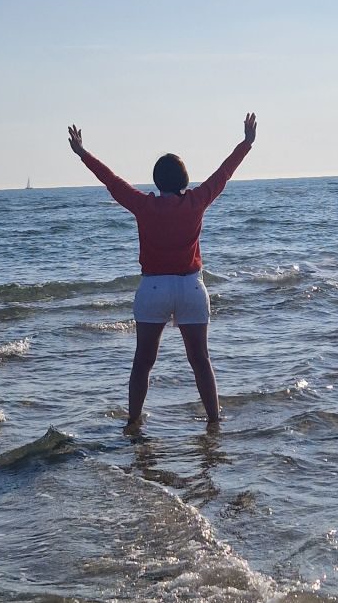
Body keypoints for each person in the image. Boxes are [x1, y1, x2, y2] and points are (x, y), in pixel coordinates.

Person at [68, 113, 256, 430]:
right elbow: (223, 173)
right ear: (184, 180)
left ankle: (133, 422)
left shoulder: (144, 205)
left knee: (143, 362)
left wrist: (82, 153)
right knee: (200, 361)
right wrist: (246, 143)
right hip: (191, 288)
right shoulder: (196, 201)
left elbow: (111, 180)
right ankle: (214, 422)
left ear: (157, 181)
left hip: (153, 289)